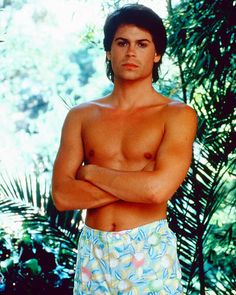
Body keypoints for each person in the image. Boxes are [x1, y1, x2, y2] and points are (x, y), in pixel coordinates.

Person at [52, 4, 197, 295]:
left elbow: (156, 191)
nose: (131, 52)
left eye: (142, 44)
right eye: (122, 43)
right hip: (93, 252)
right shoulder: (81, 116)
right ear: (108, 51)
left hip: (148, 249)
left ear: (156, 54)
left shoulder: (177, 115)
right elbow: (62, 196)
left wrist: (90, 171)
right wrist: (136, 180)